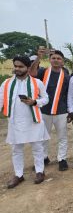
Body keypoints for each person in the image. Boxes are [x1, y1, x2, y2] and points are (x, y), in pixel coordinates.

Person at [1, 56, 49, 188]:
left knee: (37, 148)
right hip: (15, 121)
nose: (17, 69)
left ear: (28, 68)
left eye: (20, 66)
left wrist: (34, 102)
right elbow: (0, 101)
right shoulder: (6, 83)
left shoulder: (37, 82)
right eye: (15, 66)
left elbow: (46, 99)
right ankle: (18, 175)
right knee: (16, 149)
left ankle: (40, 171)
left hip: (33, 121)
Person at [29, 48, 70, 171]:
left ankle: (62, 159)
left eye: (59, 58)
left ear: (62, 61)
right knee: (43, 136)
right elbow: (31, 74)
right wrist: (38, 57)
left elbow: (68, 94)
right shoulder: (43, 72)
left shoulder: (66, 75)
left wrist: (69, 111)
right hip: (44, 110)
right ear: (50, 60)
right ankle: (44, 157)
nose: (56, 60)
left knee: (62, 136)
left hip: (61, 111)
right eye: (53, 58)